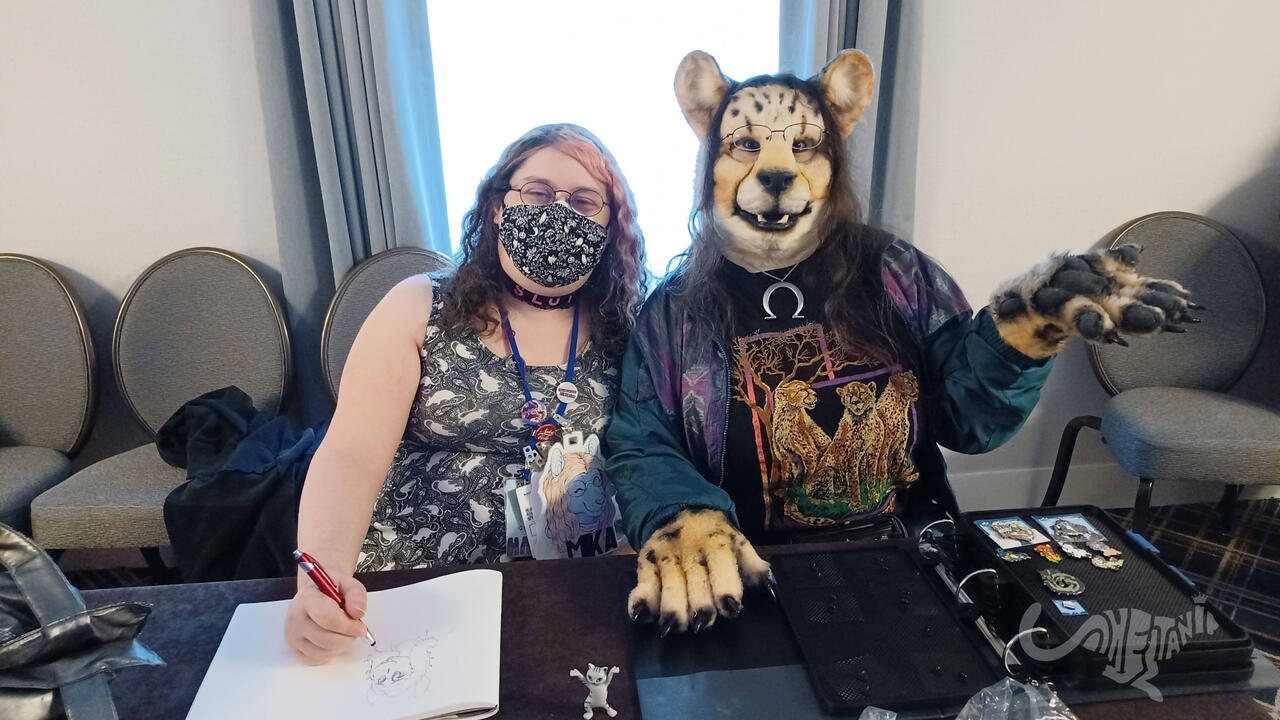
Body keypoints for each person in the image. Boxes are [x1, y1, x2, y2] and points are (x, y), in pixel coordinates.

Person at [606, 50, 1199, 636]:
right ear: (710, 160)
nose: (778, 168)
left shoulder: (896, 271)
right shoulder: (675, 311)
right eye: (744, 144)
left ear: (833, 161)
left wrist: (1020, 336)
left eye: (805, 145)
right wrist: (683, 516)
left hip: (908, 558)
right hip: (748, 579)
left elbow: (967, 422)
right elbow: (641, 439)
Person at [285, 124, 647, 664]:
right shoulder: (419, 304)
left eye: (583, 201)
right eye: (538, 193)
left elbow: (654, 461)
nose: (559, 212)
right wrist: (322, 578)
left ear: (610, 224)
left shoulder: (633, 328)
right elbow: (351, 455)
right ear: (499, 207)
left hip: (572, 587)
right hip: (415, 579)